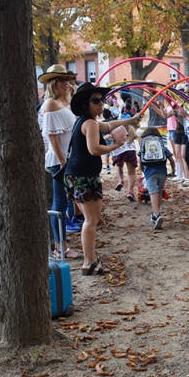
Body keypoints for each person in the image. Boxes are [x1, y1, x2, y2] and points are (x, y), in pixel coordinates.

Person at [63, 82, 140, 275]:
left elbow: (109, 125)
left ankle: (91, 260)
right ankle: (89, 262)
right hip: (83, 177)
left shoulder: (87, 122)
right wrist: (115, 146)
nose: (101, 104)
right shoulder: (88, 123)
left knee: (91, 219)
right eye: (95, 100)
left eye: (102, 100)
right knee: (91, 220)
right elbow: (94, 149)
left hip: (76, 176)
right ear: (85, 103)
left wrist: (131, 120)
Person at [39, 64, 82, 257]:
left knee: (63, 204)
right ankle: (60, 247)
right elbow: (52, 137)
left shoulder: (62, 103)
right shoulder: (50, 104)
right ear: (53, 83)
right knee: (60, 204)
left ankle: (61, 245)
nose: (67, 83)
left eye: (68, 80)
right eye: (62, 80)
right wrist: (63, 161)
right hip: (59, 161)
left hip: (66, 159)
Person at [138, 126, 172, 229]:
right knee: (159, 192)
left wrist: (144, 172)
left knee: (152, 193)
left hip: (150, 173)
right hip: (162, 172)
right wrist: (173, 171)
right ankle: (156, 214)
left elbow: (141, 164)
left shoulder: (144, 146)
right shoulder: (162, 146)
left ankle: (157, 214)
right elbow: (172, 160)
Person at [111, 124, 138, 202]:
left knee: (119, 166)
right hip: (130, 150)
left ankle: (120, 180)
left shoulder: (116, 130)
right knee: (131, 173)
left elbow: (109, 137)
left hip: (118, 151)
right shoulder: (131, 130)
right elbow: (139, 136)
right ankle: (130, 191)